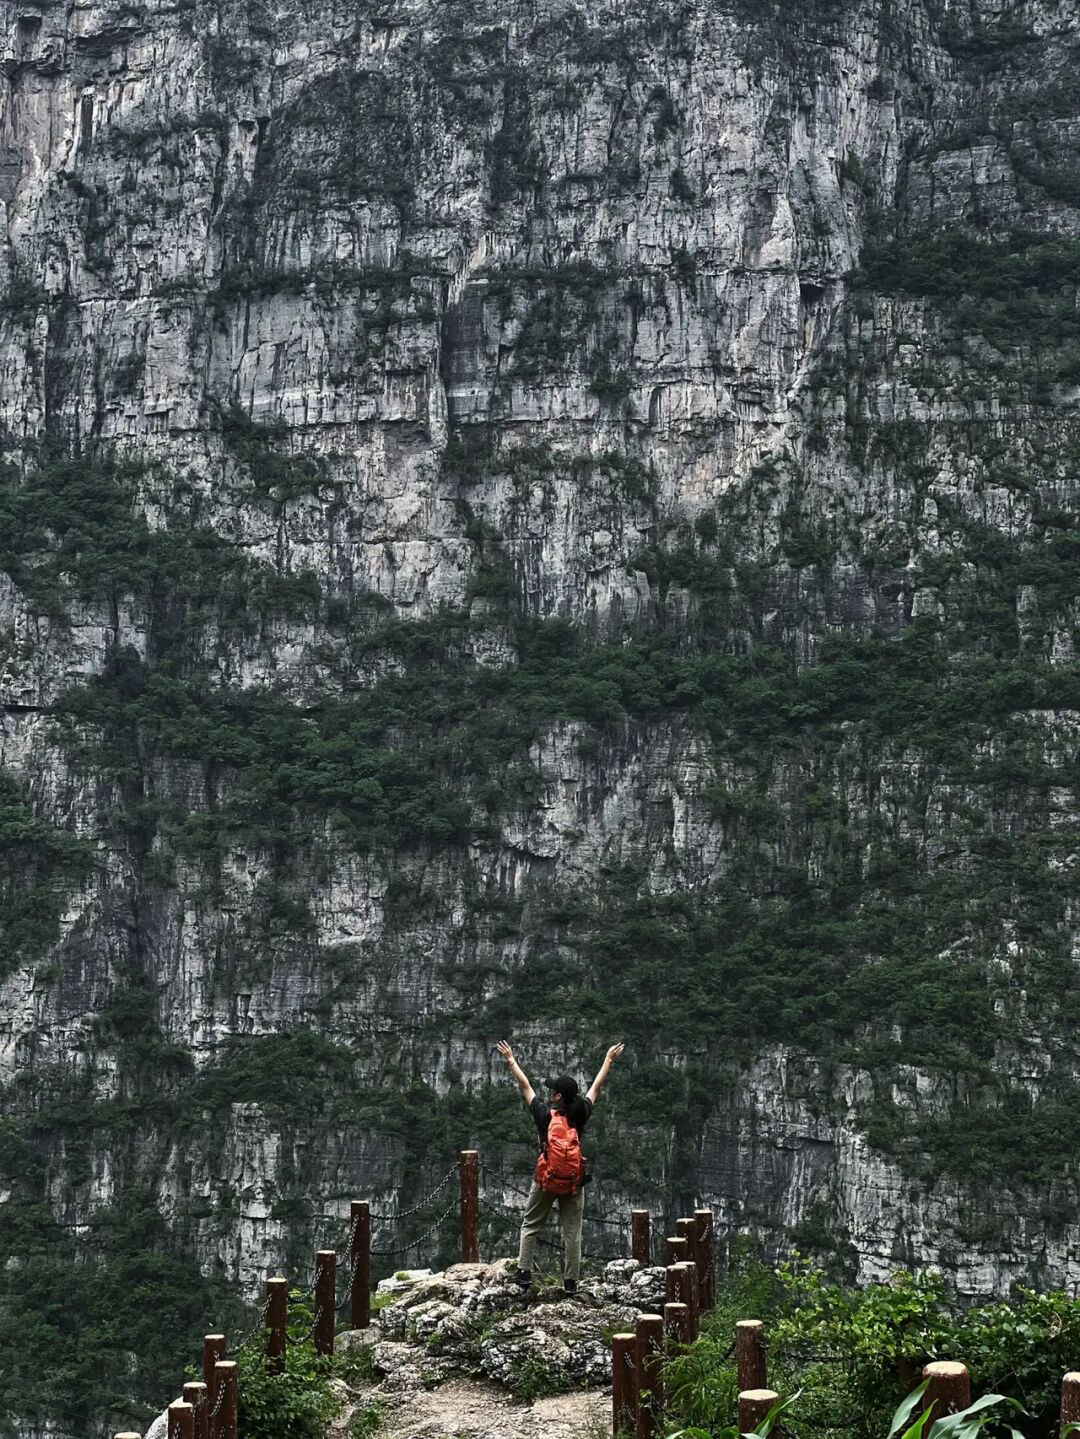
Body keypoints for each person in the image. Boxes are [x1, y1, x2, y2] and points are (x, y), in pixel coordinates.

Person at [495, 1039, 625, 1294]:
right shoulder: (581, 1112)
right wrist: (608, 1060)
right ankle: (571, 1282)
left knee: (530, 1224)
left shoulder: (545, 1115)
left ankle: (523, 1274)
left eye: (553, 1090)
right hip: (574, 1182)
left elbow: (525, 1086)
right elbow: (596, 1087)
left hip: (546, 1178)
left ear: (556, 1096)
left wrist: (511, 1060)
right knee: (572, 1232)